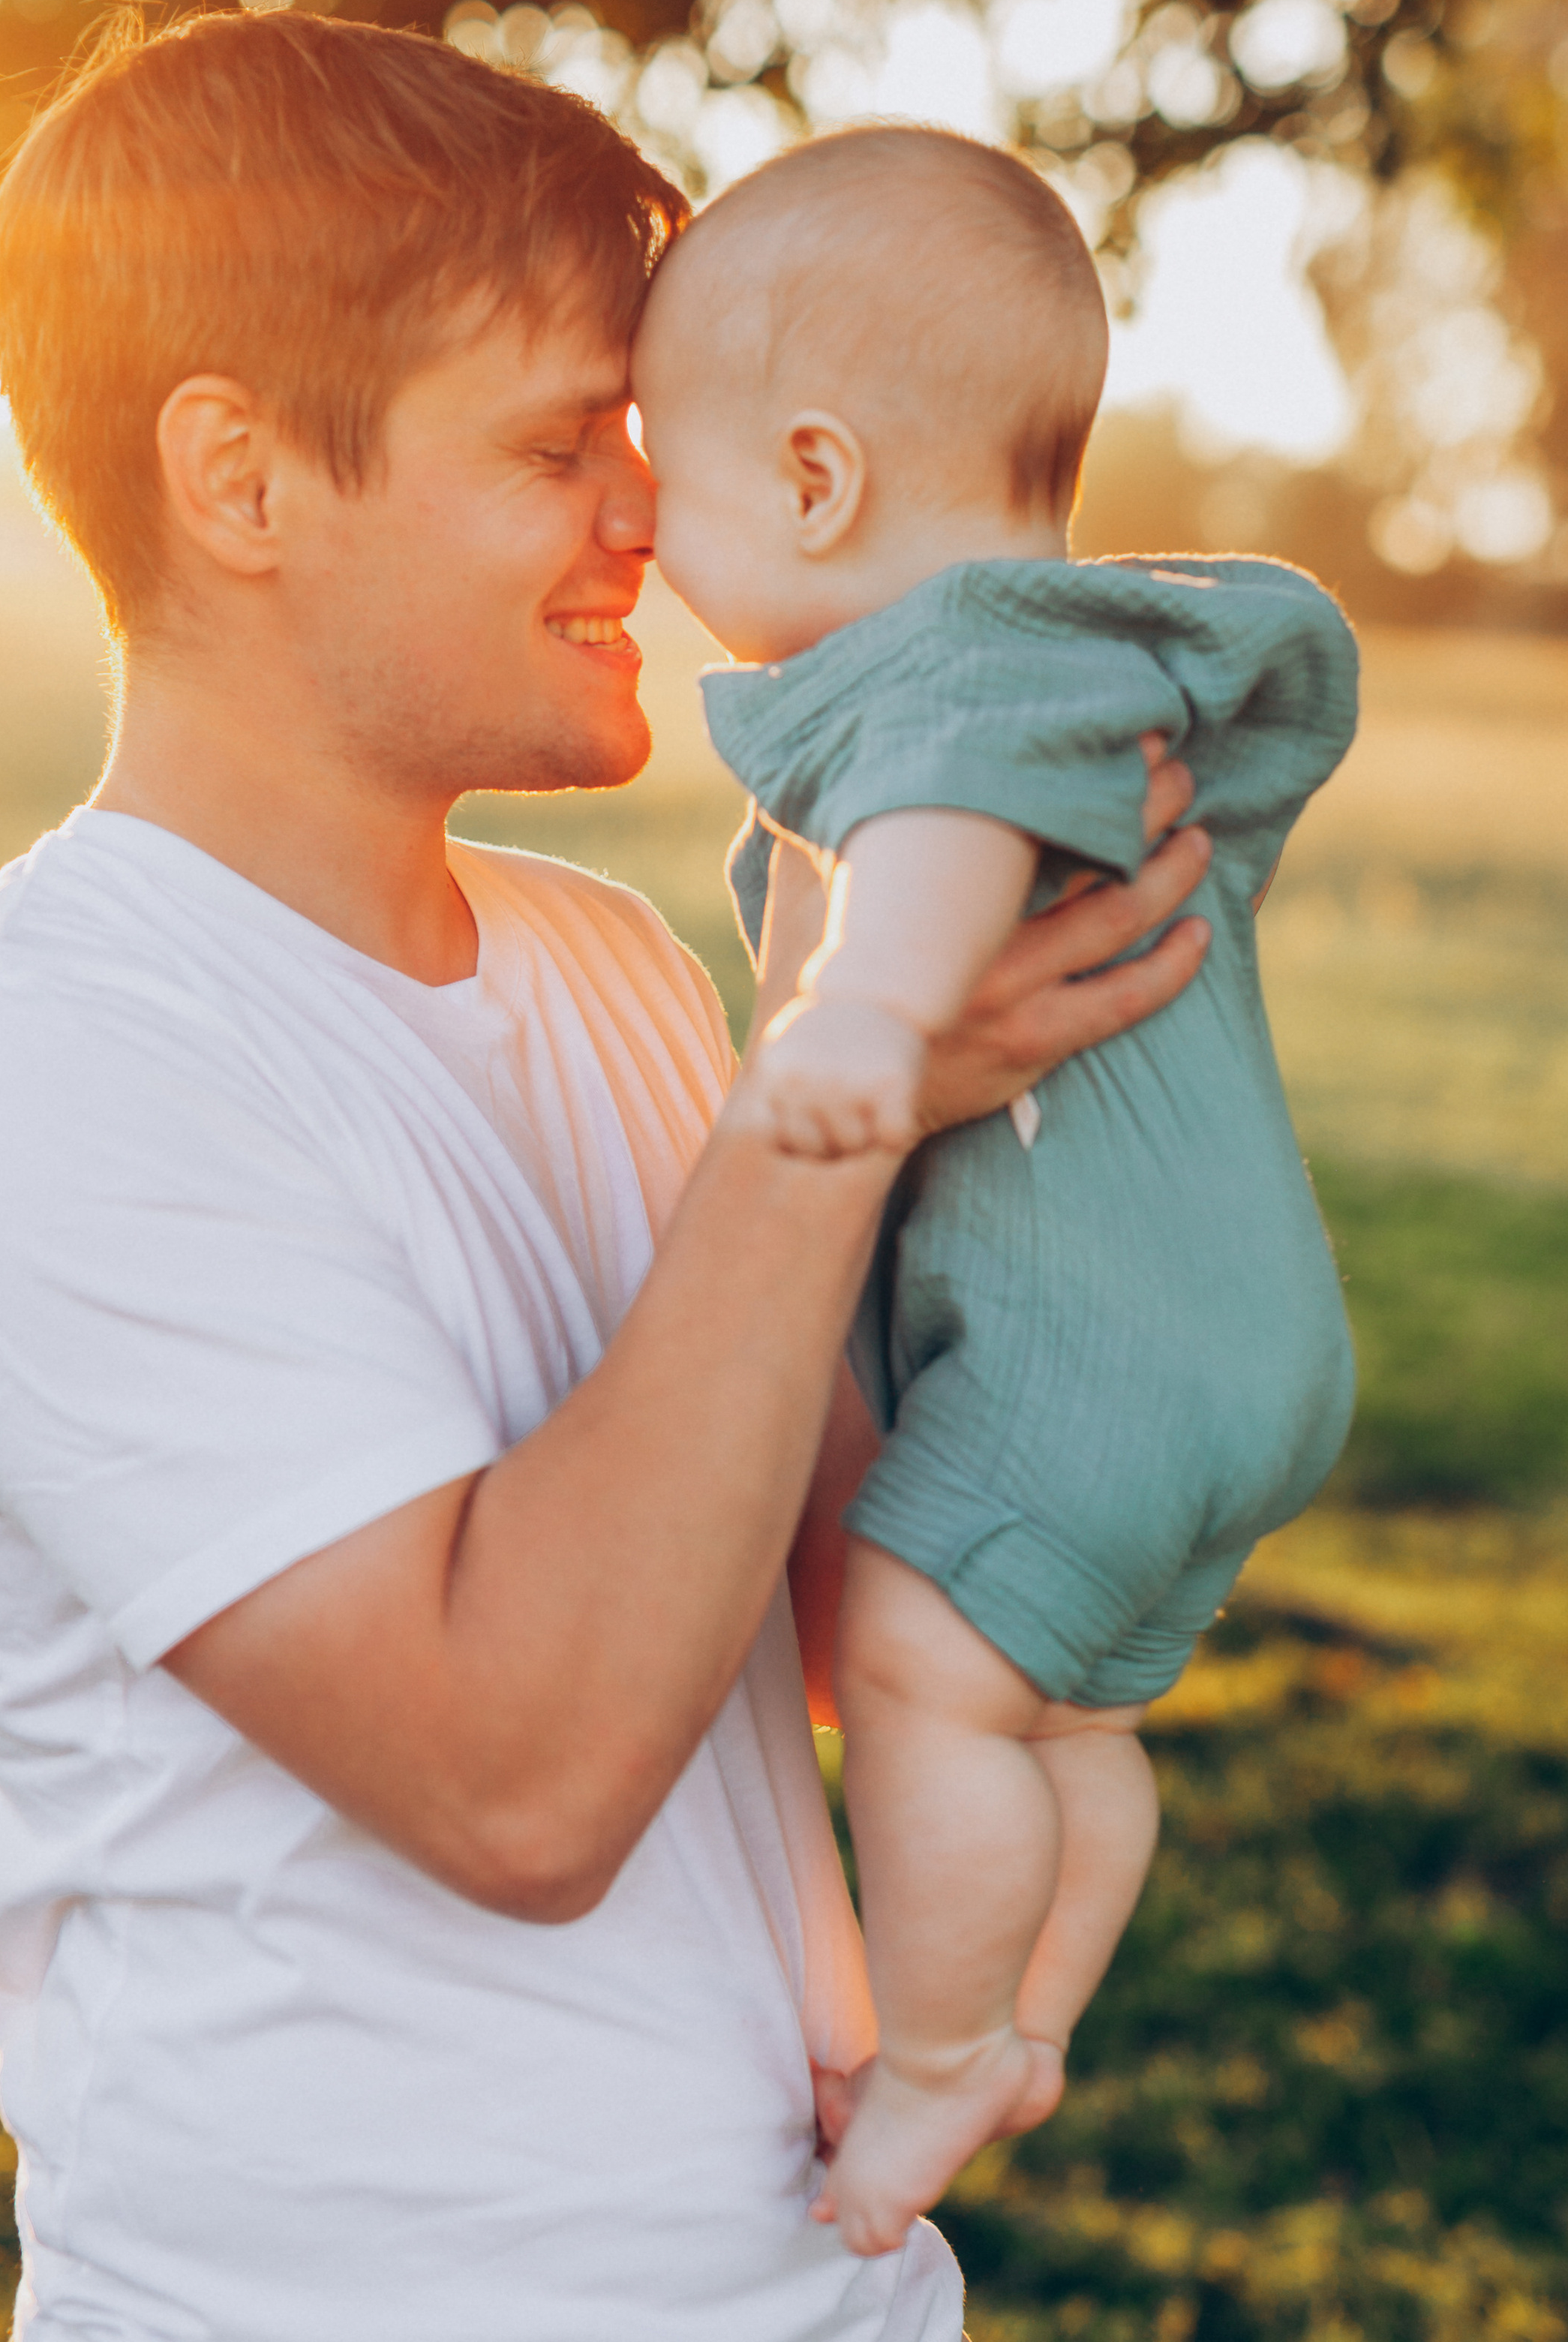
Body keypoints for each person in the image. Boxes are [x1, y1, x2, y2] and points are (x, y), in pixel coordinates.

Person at [0, 12, 1214, 2342]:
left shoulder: (610, 968)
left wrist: (1091, 1169)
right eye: (567, 447)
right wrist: (826, 1112)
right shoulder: (35, 1059)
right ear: (242, 483)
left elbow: (825, 1610)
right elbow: (523, 1778)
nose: (657, 515)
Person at [632, 124, 1359, 2259]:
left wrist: (860, 1018)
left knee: (929, 1665)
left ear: (818, 481)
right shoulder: (1086, 656)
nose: (641, 527)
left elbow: (932, 830)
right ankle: (1032, 2017)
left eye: (663, 472)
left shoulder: (950, 672)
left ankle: (943, 2053)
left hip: (1088, 1366)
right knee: (1076, 1706)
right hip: (1244, 1351)